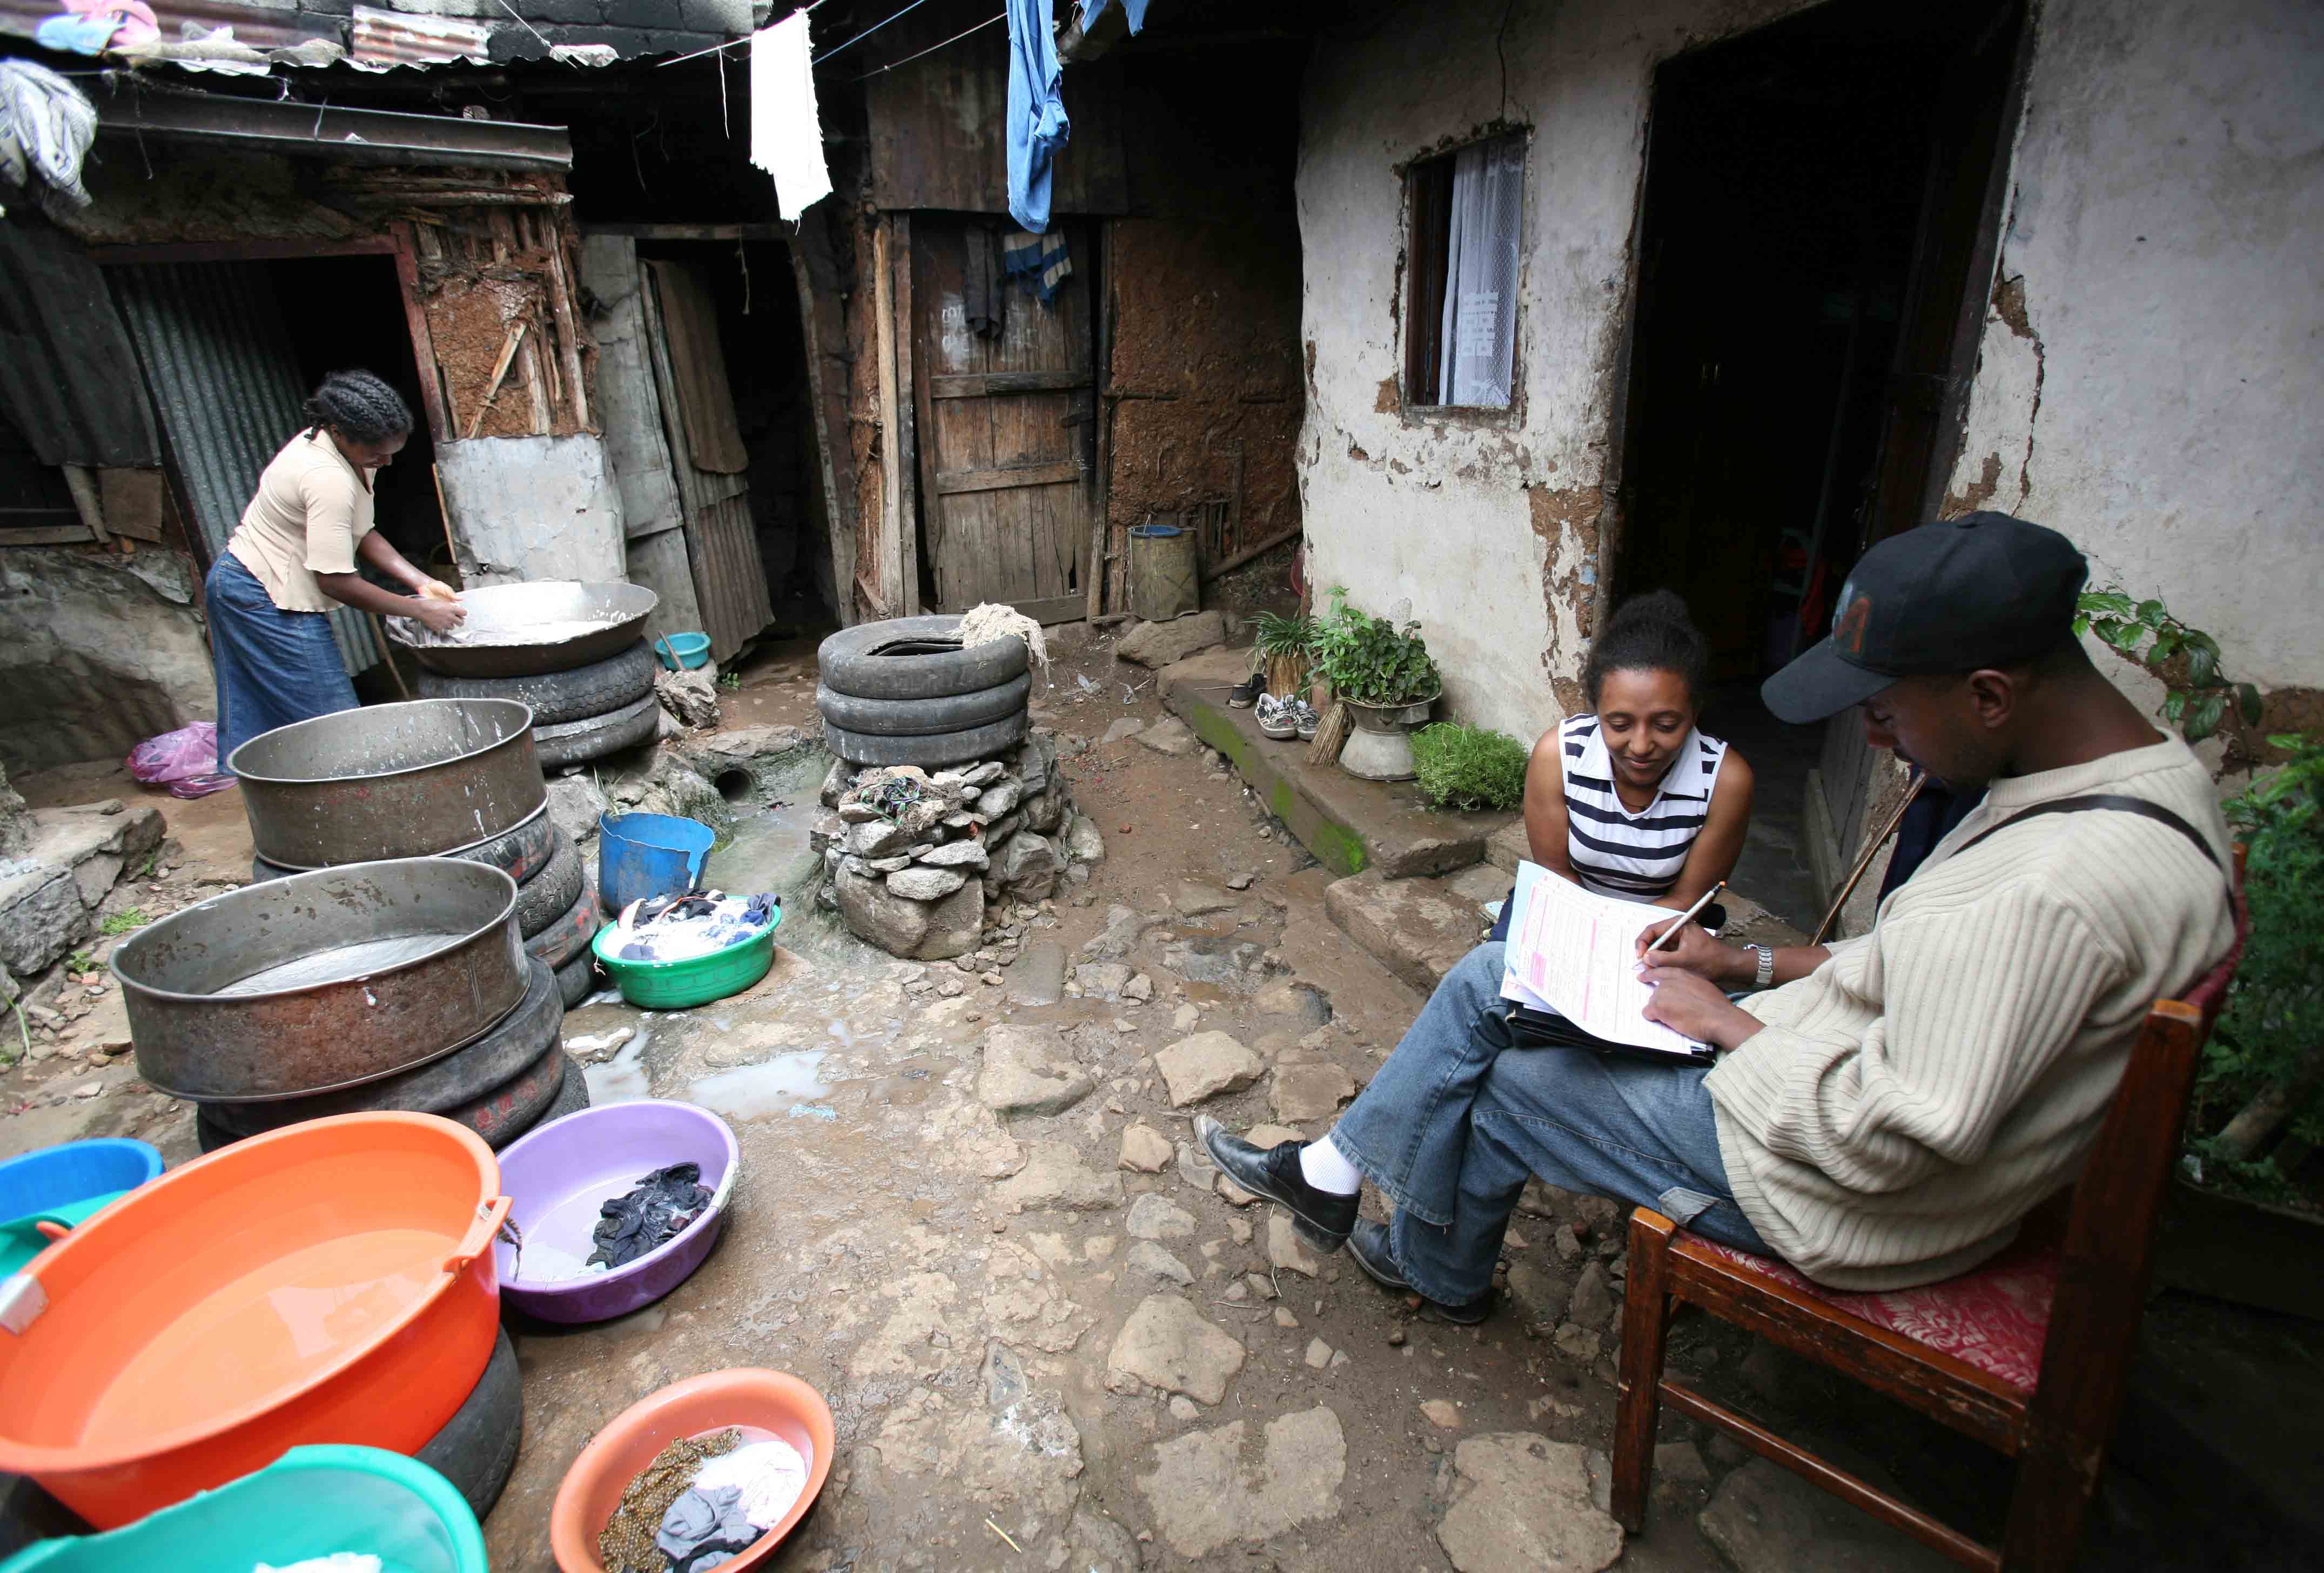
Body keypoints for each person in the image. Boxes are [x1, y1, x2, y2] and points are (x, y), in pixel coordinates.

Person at [1203, 512, 2236, 1320]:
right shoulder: (2127, 795)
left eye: (1883, 710)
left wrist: (1727, 1023)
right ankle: (1345, 1187)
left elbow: (1889, 1136)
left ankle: (1420, 1254)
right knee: (1494, 979)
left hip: (1834, 1189)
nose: (1876, 738)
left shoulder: (2058, 885)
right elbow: (1915, 973)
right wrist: (1741, 965)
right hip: (1814, 1078)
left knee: (1504, 1074)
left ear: (1989, 695)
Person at [205, 369, 465, 770]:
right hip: (261, 595)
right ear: (340, 430)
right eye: (378, 454)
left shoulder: (351, 451)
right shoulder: (326, 478)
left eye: (393, 452)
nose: (388, 461)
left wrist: (421, 581)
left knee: (295, 722)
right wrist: (418, 609)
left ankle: (299, 804)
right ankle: (343, 808)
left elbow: (361, 530)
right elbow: (336, 582)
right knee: (334, 724)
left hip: (251, 585)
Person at [1486, 589, 1755, 942]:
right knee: (1499, 980)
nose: (1641, 746)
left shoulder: (1724, 781)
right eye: (1620, 725)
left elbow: (1687, 899)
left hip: (1662, 927)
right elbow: (1556, 874)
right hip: (1570, 907)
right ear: (1597, 710)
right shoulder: (1559, 755)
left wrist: (1618, 946)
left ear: (1695, 713)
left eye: (1666, 725)